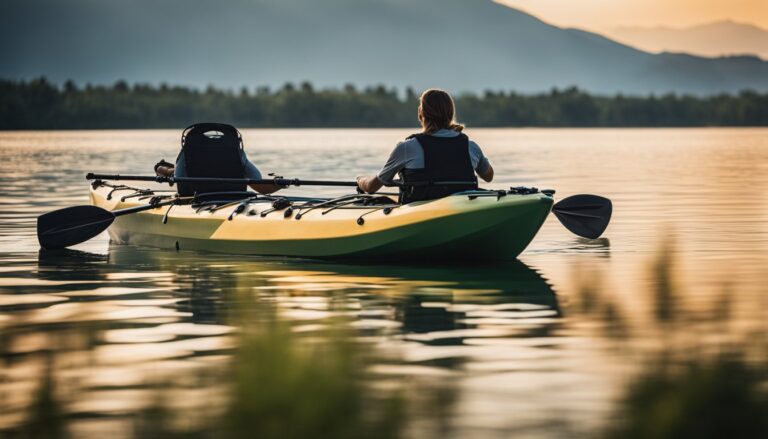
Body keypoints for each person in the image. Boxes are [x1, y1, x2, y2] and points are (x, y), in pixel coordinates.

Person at [357, 89, 493, 203]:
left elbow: (371, 187)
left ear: (420, 114)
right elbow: (488, 176)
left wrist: (360, 180)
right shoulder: (471, 147)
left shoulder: (406, 148)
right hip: (462, 209)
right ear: (451, 114)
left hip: (421, 214)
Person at [155, 123, 279, 195]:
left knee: (172, 172)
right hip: (234, 197)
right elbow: (257, 182)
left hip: (196, 197)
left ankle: (163, 169)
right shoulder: (236, 151)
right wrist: (280, 184)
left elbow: (180, 180)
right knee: (171, 172)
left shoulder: (189, 150)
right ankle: (164, 169)